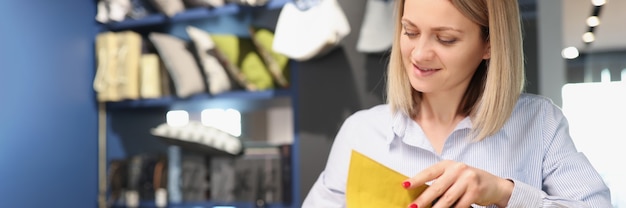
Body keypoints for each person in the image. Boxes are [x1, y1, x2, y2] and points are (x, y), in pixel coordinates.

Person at [301, 0, 612, 207]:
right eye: (410, 32)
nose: (419, 54)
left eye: (445, 38)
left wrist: (503, 192)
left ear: (489, 43)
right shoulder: (361, 132)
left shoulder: (539, 123)